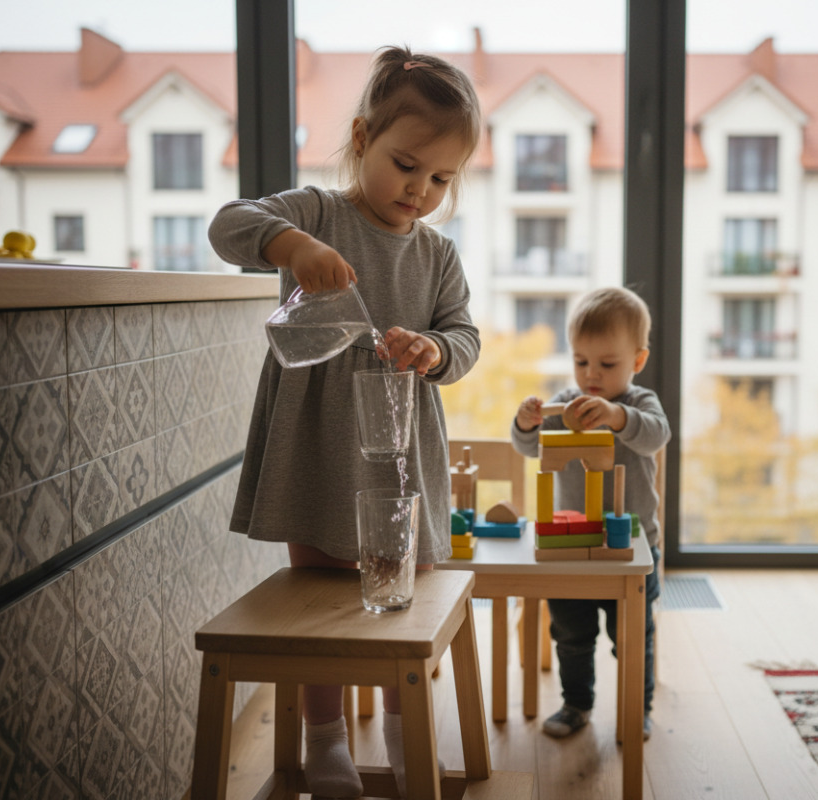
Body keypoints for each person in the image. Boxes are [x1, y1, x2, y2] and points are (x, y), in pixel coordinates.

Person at [208, 45, 482, 798]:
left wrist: (433, 349)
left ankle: (402, 730)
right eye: (406, 166)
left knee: (404, 602)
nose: (420, 191)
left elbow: (465, 337)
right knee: (321, 601)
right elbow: (231, 224)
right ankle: (325, 739)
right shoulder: (319, 213)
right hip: (318, 446)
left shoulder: (438, 255)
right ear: (361, 139)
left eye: (441, 179)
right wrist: (290, 245)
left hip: (401, 450)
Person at [511, 286, 670, 741]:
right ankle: (576, 703)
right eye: (581, 362)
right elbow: (527, 447)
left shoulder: (640, 404)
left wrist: (616, 416)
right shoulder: (566, 403)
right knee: (572, 636)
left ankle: (637, 709)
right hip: (571, 545)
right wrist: (526, 422)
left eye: (607, 364)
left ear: (637, 361)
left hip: (634, 547)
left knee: (633, 637)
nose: (591, 375)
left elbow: (656, 436)